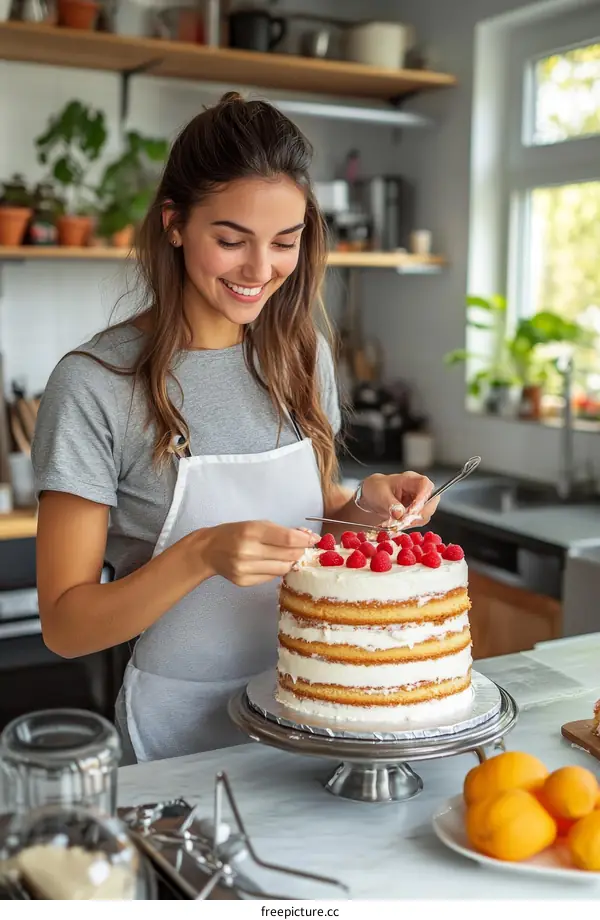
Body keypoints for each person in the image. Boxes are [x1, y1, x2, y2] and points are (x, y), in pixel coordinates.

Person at [32, 92, 439, 765]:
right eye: (230, 240)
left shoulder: (303, 354)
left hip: (313, 708)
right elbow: (66, 627)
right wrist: (199, 554)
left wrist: (371, 506)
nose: (260, 271)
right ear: (173, 224)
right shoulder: (96, 383)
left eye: (285, 242)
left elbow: (321, 513)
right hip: (176, 733)